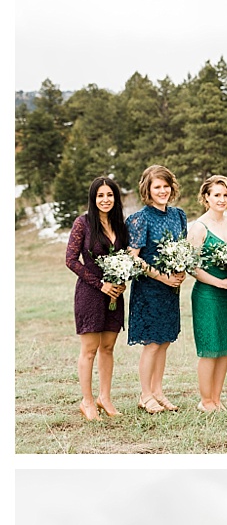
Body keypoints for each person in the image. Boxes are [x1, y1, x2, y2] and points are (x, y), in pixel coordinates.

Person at [126, 164, 189, 413]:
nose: (162, 191)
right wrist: (163, 277)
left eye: (166, 186)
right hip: (149, 289)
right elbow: (134, 257)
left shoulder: (178, 215)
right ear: (147, 190)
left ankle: (158, 391)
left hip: (171, 290)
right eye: (157, 187)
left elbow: (181, 250)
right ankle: (145, 395)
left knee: (164, 341)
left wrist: (181, 269)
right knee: (151, 343)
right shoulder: (140, 219)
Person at [64, 175, 128, 420]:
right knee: (89, 349)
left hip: (114, 295)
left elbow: (126, 259)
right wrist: (100, 284)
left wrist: (121, 282)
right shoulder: (83, 223)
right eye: (100, 195)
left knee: (109, 348)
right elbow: (70, 260)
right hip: (90, 293)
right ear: (93, 198)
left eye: (109, 195)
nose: (105, 199)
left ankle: (105, 398)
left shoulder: (119, 224)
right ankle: (87, 401)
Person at [186, 175, 227, 414]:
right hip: (208, 295)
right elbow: (192, 266)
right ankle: (205, 400)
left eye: (225, 194)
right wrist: (219, 283)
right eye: (216, 195)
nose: (221, 199)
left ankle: (217, 399)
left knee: (224, 348)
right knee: (209, 348)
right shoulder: (199, 227)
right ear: (206, 197)